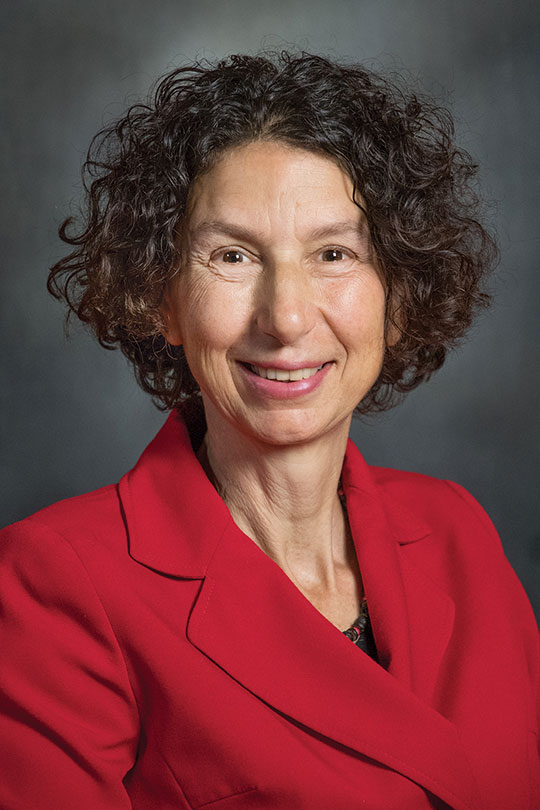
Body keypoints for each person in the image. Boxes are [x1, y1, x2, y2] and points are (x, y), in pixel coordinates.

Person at [0, 51, 538, 810]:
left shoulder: (457, 531)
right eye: (232, 255)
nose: (285, 317)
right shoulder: (53, 584)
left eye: (333, 254)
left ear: (398, 293)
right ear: (164, 298)